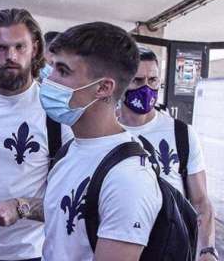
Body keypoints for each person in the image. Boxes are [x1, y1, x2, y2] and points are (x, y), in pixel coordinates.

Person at [0, 8, 72, 261]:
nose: (11, 56)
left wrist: (21, 208)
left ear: (35, 48)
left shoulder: (55, 114)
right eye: (0, 48)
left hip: (32, 254)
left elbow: (69, 201)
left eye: (20, 47)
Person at [40, 22, 161, 261]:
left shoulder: (127, 177)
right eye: (52, 68)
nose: (49, 80)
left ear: (103, 88)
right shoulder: (70, 151)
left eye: (63, 71)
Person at [118, 48, 217, 261]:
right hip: (118, 243)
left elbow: (200, 201)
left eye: (153, 80)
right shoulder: (106, 131)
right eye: (137, 81)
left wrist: (206, 250)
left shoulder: (181, 133)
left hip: (172, 248)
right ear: (120, 82)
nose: (146, 88)